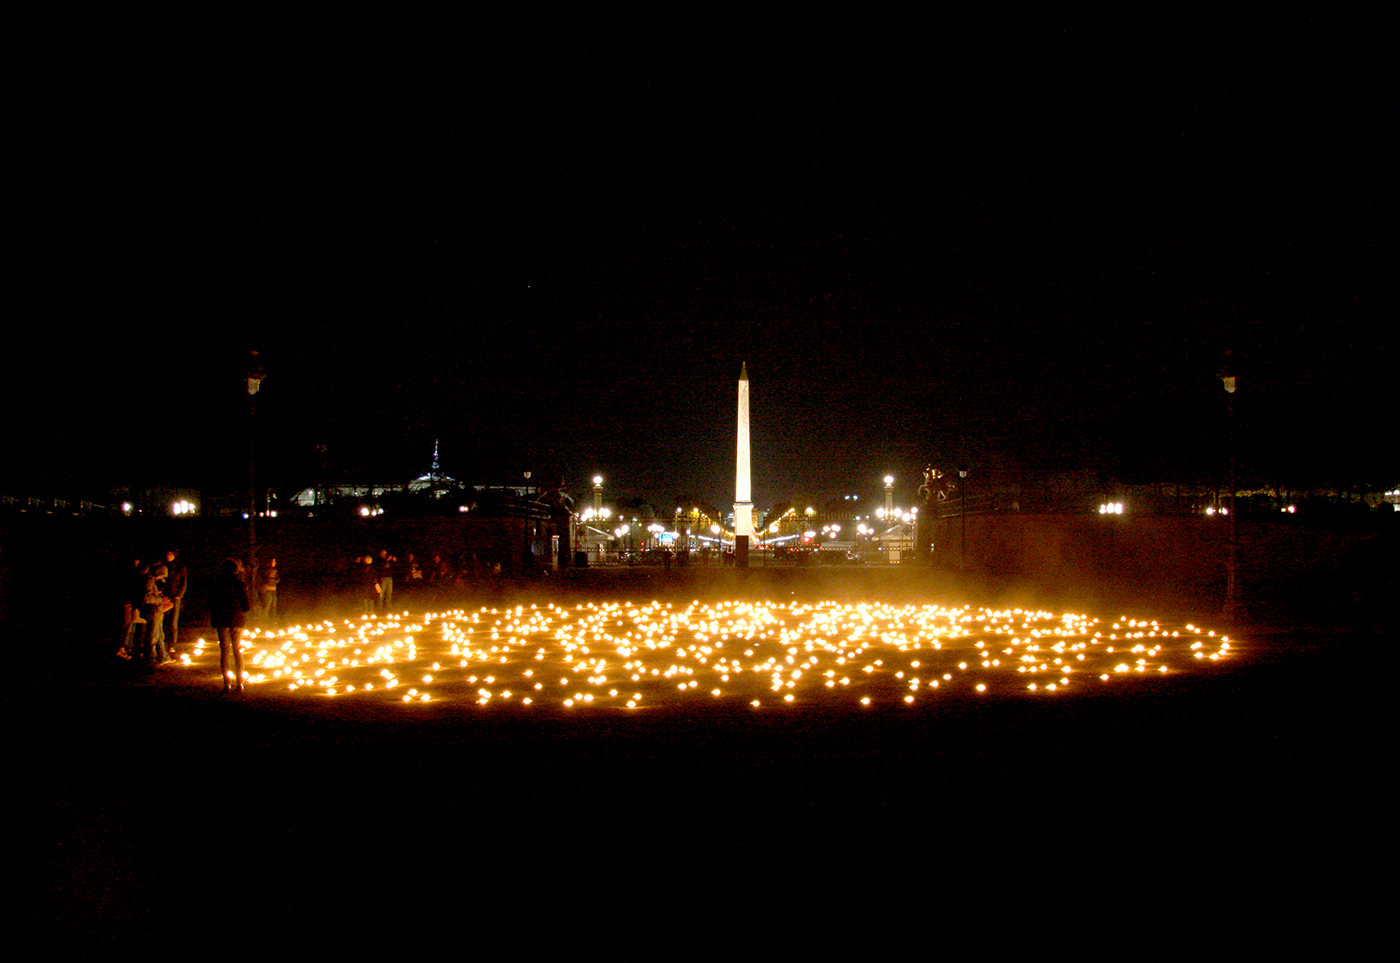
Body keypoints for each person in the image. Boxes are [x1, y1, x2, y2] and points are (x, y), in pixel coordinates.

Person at [208, 559, 251, 692]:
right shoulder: (240, 584)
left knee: (225, 651)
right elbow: (247, 605)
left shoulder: (215, 584)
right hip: (237, 620)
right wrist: (240, 610)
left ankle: (227, 683)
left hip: (221, 620)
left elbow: (209, 603)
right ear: (236, 570)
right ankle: (240, 683)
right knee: (237, 651)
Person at [162, 549, 188, 654]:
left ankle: (172, 644)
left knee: (173, 622)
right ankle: (161, 642)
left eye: (170, 554)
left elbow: (183, 583)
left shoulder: (180, 568)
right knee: (162, 620)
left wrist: (179, 595)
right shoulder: (163, 566)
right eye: (167, 554)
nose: (168, 556)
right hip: (164, 596)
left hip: (175, 596)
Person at [258, 557, 280, 623]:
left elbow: (277, 579)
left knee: (273, 606)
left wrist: (275, 580)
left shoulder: (275, 570)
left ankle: (273, 621)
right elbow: (263, 579)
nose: (275, 563)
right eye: (273, 561)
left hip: (273, 589)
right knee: (266, 606)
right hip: (267, 589)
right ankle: (264, 621)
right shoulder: (265, 570)